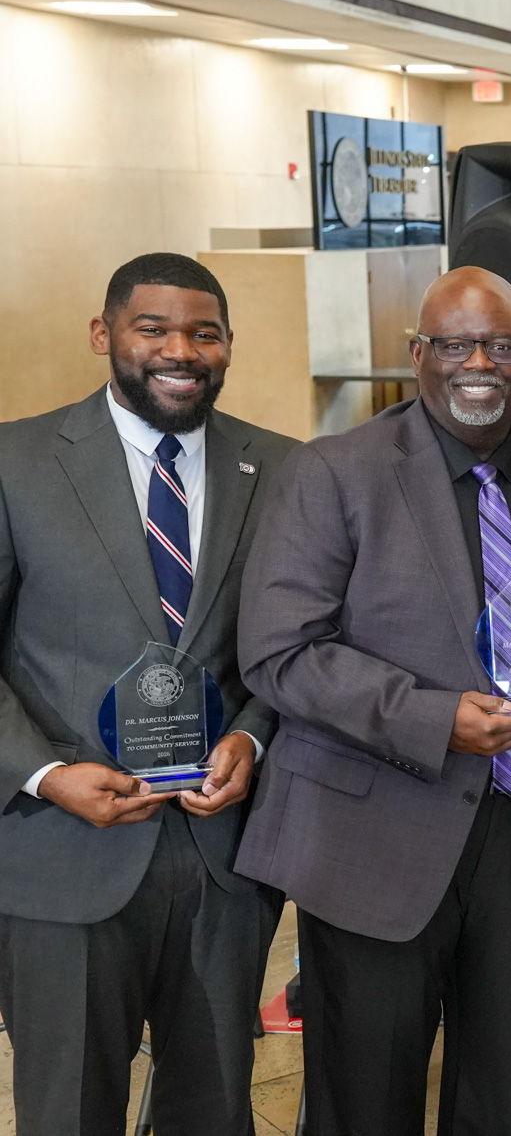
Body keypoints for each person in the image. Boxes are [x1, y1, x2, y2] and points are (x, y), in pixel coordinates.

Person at [235, 267, 511, 1133]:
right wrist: (432, 718)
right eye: (454, 344)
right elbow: (280, 653)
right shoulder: (331, 472)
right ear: (419, 353)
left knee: (502, 1091)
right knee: (366, 1097)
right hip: (374, 831)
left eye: (501, 344)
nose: (478, 364)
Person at [0, 253, 295, 1135]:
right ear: (105, 335)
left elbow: (296, 648)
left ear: (229, 346)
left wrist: (254, 737)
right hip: (65, 851)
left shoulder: (283, 468)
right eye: (154, 328)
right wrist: (46, 774)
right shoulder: (16, 462)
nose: (181, 350)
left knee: (213, 1107)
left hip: (222, 857)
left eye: (204, 333)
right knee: (70, 1110)